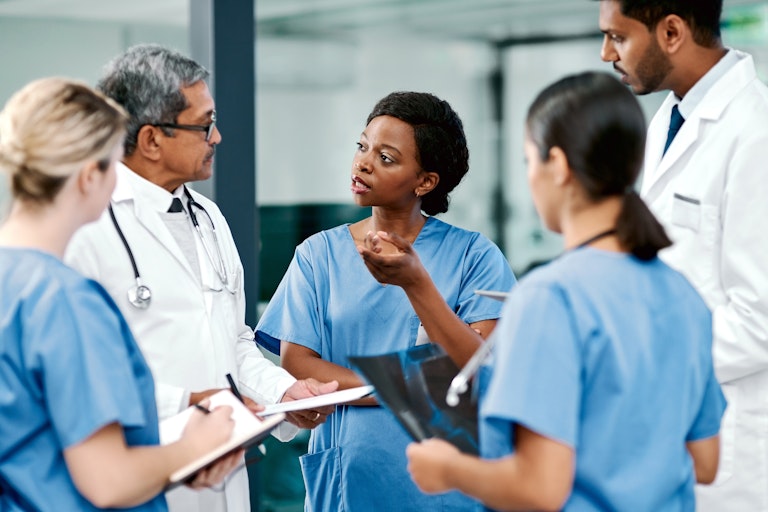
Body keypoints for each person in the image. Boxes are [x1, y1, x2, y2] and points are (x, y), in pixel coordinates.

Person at [402, 72, 726, 511]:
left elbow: (539, 488)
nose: (531, 178)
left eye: (528, 161)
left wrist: (447, 469)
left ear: (557, 165)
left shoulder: (551, 298)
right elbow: (704, 461)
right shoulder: (681, 296)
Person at [64, 44, 337, 512]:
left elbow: (233, 342)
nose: (217, 137)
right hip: (138, 470)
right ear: (151, 139)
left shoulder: (208, 217)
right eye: (204, 124)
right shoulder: (86, 226)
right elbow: (77, 376)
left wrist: (283, 392)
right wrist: (192, 404)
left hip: (223, 470)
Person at [255, 91, 516, 510]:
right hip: (350, 479)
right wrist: (411, 390)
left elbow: (479, 370)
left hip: (446, 484)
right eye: (363, 147)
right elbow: (299, 366)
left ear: (425, 181)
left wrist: (351, 385)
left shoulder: (475, 256)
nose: (363, 162)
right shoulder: (318, 256)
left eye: (387, 158)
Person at [0, 77, 243, 512]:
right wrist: (196, 445)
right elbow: (108, 482)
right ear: (88, 176)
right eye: (114, 166)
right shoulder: (65, 301)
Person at [598, 1, 768, 509]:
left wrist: (648, 357)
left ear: (671, 31)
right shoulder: (668, 120)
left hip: (730, 442)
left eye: (618, 37)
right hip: (668, 430)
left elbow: (759, 320)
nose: (605, 52)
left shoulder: (755, 132)